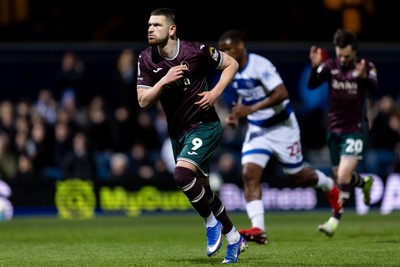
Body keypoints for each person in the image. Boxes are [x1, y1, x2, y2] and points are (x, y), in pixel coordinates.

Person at [136, 8, 247, 264]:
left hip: (205, 126)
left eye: (156, 25)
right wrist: (163, 81)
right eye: (149, 25)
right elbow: (143, 101)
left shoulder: (195, 51)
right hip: (179, 134)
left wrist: (215, 93)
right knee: (205, 192)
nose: (150, 29)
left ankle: (211, 224)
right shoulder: (146, 58)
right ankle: (233, 238)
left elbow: (232, 63)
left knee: (181, 175)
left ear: (172, 29)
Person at [217, 30, 341, 244]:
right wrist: (237, 116)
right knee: (249, 173)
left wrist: (250, 109)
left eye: (229, 48)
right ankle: (259, 229)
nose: (226, 53)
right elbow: (241, 94)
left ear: (241, 45)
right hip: (258, 129)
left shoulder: (260, 65)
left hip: (282, 127)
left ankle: (328, 183)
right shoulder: (230, 69)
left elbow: (282, 93)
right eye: (223, 50)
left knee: (296, 175)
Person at [307, 28, 378, 237]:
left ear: (355, 51)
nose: (344, 59)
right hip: (334, 128)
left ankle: (334, 221)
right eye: (340, 55)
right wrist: (314, 67)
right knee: (339, 175)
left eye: (347, 56)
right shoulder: (330, 66)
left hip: (356, 128)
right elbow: (312, 85)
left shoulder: (366, 66)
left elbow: (375, 89)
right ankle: (364, 183)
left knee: (344, 174)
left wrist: (365, 78)